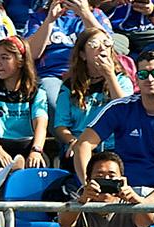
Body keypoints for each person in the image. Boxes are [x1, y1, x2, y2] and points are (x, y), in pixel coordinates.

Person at [74, 49, 154, 225]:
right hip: (119, 191)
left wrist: (147, 203)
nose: (150, 79)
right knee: (78, 217)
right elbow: (83, 144)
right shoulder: (119, 108)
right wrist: (88, 184)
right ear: (137, 78)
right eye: (143, 74)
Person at [25, 0, 112, 131]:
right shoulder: (40, 16)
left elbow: (109, 46)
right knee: (54, 105)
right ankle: (67, 144)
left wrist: (85, 13)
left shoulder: (96, 14)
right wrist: (50, 20)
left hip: (89, 73)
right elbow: (31, 53)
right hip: (53, 74)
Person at [55, 27, 133, 171]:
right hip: (80, 144)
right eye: (94, 45)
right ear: (83, 55)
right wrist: (74, 141)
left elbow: (125, 111)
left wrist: (110, 76)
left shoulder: (121, 80)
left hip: (112, 147)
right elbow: (60, 126)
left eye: (106, 43)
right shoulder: (69, 86)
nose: (102, 48)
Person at [0, 35, 48, 169]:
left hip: (26, 146)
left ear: (20, 62)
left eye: (5, 58)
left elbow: (41, 124)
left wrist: (36, 151)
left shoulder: (36, 89)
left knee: (40, 164)